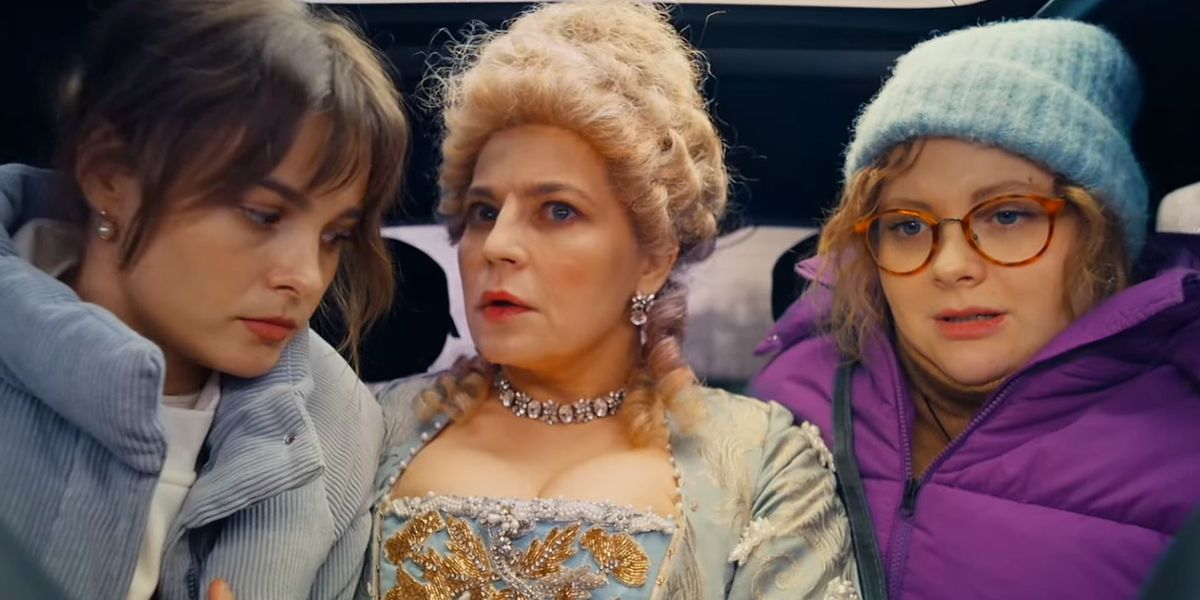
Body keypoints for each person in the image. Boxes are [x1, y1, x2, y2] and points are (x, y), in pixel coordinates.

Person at [363, 2, 858, 598]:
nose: (496, 245)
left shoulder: (763, 462)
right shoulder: (372, 432)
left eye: (558, 211)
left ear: (654, 258)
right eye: (483, 211)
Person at [751, 19, 1200, 600]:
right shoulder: (788, 393)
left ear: (1103, 234)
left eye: (1008, 215)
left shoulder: (1181, 446)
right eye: (908, 225)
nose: (949, 265)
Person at [0, 0, 410, 598]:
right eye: (262, 215)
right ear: (109, 177)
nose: (305, 277)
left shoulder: (339, 424)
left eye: (334, 237)